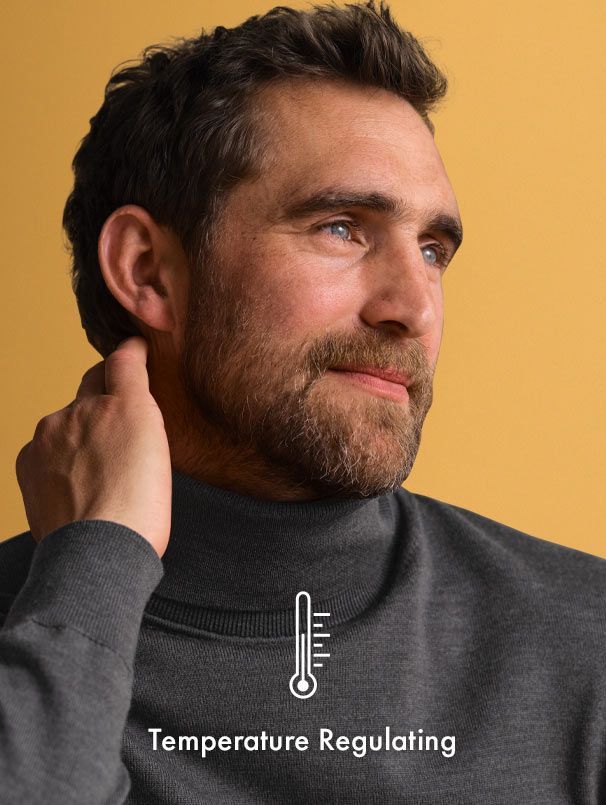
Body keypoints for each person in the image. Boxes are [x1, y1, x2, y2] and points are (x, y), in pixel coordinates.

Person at [0, 1, 604, 802]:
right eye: (341, 228)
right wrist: (93, 571)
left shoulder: (586, 644)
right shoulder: (37, 631)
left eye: (432, 250)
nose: (414, 308)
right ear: (148, 271)